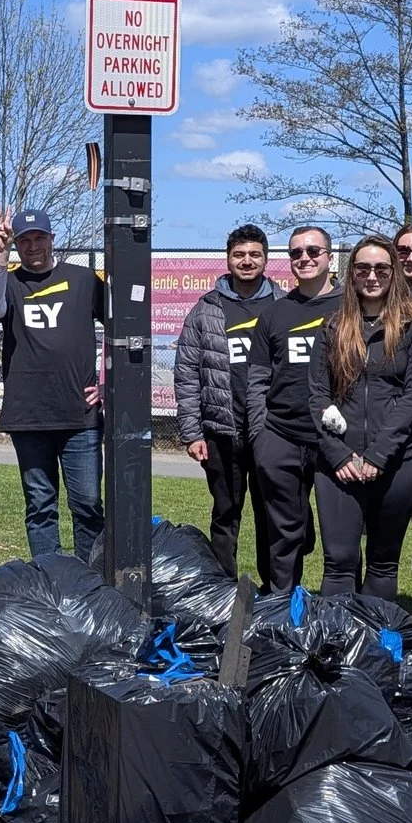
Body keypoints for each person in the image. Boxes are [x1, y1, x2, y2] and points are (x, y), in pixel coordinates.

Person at [308, 236, 412, 600]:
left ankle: (375, 635)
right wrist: (339, 456)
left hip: (396, 462)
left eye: (381, 268)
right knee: (339, 560)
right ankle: (337, 635)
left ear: (394, 273)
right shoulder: (332, 327)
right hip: (339, 464)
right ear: (352, 274)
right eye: (363, 268)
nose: (372, 276)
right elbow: (317, 396)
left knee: (383, 562)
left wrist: (379, 454)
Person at [0, 207, 105, 560]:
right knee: (40, 505)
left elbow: (122, 329)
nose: (32, 246)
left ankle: (90, 580)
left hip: (80, 414)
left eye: (39, 238)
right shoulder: (9, 282)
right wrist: (0, 254)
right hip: (29, 414)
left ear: (52, 239)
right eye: (24, 240)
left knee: (88, 504)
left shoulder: (83, 279)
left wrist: (109, 383)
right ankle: (50, 579)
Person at [173, 223, 281, 573]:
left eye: (254, 254)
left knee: (273, 514)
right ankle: (223, 587)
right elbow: (187, 372)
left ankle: (274, 589)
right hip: (221, 431)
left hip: (272, 431)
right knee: (225, 514)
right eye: (239, 255)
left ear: (266, 259)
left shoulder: (283, 306)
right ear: (228, 259)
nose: (247, 261)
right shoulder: (206, 309)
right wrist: (192, 432)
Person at [245, 225, 341, 592]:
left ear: (329, 257)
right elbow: (258, 379)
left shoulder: (351, 307)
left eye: (313, 251)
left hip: (335, 439)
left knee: (340, 538)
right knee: (283, 534)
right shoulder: (275, 313)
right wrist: (260, 436)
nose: (304, 258)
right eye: (296, 252)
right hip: (281, 435)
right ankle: (280, 604)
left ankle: (340, 609)